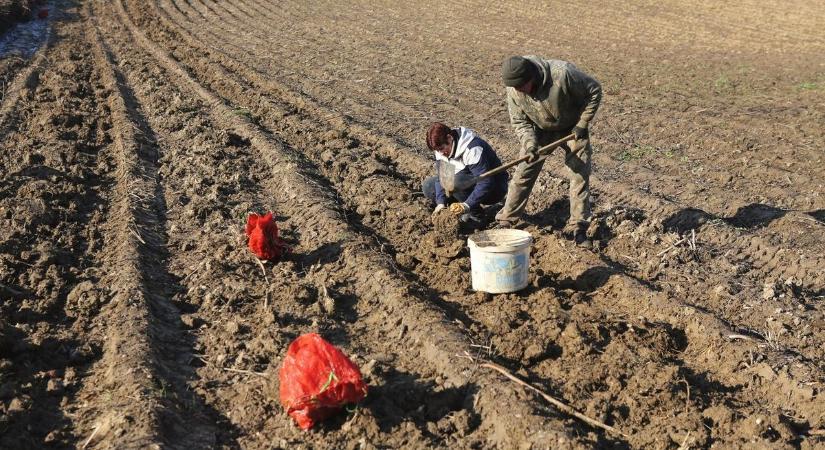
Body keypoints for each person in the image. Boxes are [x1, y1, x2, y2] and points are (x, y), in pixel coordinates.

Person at [494, 55, 602, 245]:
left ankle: (579, 227)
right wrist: (530, 144)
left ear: (531, 77)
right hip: (541, 130)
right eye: (515, 88)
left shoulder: (563, 74)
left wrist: (583, 123)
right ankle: (507, 219)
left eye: (521, 86)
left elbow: (594, 90)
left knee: (579, 174)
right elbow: (519, 122)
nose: (519, 91)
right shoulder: (514, 90)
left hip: (573, 129)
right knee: (523, 173)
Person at [422, 122, 508, 223]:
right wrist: (441, 202)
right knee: (429, 186)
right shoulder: (441, 152)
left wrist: (467, 205)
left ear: (449, 138)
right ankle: (454, 209)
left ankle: (476, 216)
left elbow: (486, 182)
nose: (441, 153)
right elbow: (443, 178)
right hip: (467, 184)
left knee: (454, 182)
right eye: (437, 150)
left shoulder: (472, 149)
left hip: (494, 188)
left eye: (442, 149)